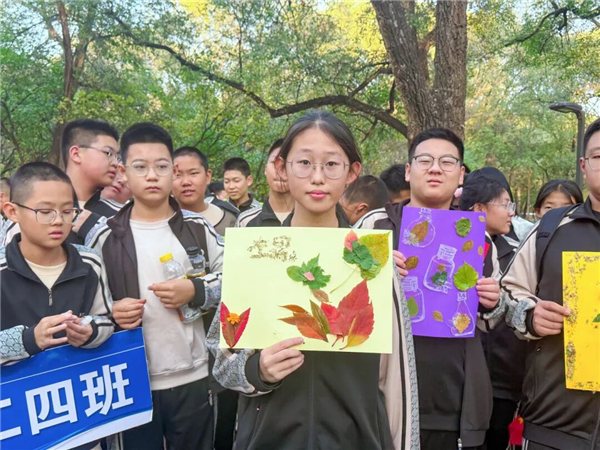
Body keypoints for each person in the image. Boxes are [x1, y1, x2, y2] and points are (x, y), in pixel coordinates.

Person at [207, 111, 419, 449]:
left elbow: (397, 383)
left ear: (352, 172)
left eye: (331, 164)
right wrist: (257, 371)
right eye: (304, 163)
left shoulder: (375, 265)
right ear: (282, 168)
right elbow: (222, 364)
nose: (317, 177)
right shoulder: (254, 256)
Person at [355, 128, 503, 450]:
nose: (435, 168)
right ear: (409, 171)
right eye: (425, 160)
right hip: (382, 397)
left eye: (447, 162)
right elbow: (347, 297)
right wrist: (374, 276)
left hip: (453, 402)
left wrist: (493, 301)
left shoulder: (477, 238)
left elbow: (494, 318)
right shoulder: (374, 226)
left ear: (460, 174)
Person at [86, 123, 224, 450]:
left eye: (161, 167)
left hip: (195, 375)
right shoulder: (104, 236)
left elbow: (235, 276)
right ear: (123, 172)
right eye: (140, 167)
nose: (152, 176)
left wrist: (196, 291)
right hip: (131, 381)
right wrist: (112, 313)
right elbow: (86, 308)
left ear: (173, 170)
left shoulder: (197, 228)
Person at [501, 118, 600, 450]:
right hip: (554, 423)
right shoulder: (553, 227)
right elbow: (508, 292)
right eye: (599, 156)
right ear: (584, 166)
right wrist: (530, 315)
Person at [1, 162, 114, 359]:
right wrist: (29, 339)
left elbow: (106, 319)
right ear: (13, 212)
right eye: (45, 212)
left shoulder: (89, 262)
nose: (59, 221)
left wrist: (90, 331)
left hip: (78, 374)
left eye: (67, 211)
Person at [460, 170, 525, 450]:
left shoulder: (512, 250)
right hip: (463, 372)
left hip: (502, 379)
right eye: (505, 204)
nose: (511, 212)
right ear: (479, 209)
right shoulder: (459, 244)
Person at [1, 119, 121, 246]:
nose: (116, 163)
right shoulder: (27, 210)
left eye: (117, 157)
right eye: (108, 153)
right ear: (76, 154)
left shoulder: (120, 216)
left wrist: (96, 228)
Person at [172, 146, 237, 236]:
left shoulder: (229, 221)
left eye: (193, 173)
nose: (186, 182)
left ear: (208, 177)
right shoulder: (158, 222)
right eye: (177, 175)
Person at [236, 138, 294, 227]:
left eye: (288, 164)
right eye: (275, 163)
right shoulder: (245, 221)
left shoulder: (311, 219)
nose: (281, 171)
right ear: (265, 169)